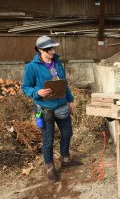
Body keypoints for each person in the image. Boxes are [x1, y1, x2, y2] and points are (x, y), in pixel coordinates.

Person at [22, 36, 79, 182]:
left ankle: (65, 160)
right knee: (48, 139)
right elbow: (26, 87)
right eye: (50, 49)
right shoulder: (32, 67)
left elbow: (63, 84)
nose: (53, 51)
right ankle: (50, 168)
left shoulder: (57, 63)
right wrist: (37, 92)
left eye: (53, 48)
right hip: (44, 108)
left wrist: (70, 100)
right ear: (41, 50)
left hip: (61, 105)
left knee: (67, 133)